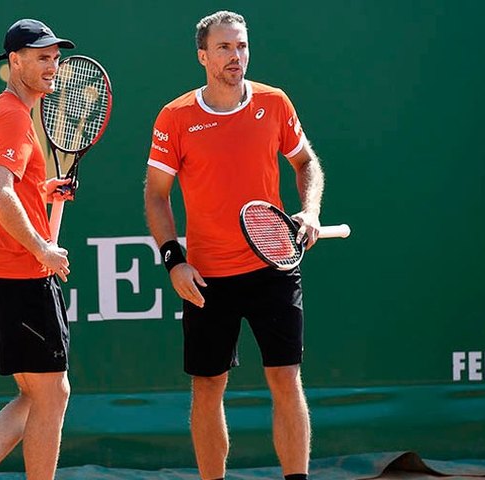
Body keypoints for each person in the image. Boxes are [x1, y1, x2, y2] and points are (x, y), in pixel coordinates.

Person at [144, 11, 326, 480]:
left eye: (241, 46)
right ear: (203, 56)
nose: (235, 56)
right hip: (207, 276)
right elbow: (156, 194)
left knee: (286, 379)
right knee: (207, 386)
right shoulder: (176, 116)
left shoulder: (275, 103)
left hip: (273, 266)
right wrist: (173, 262)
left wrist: (310, 211)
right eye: (224, 48)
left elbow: (306, 163)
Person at [0, 18, 76, 480]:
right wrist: (43, 246)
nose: (52, 65)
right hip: (20, 278)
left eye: (55, 57)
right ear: (15, 62)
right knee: (52, 396)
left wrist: (39, 191)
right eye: (42, 57)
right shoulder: (14, 118)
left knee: (37, 394)